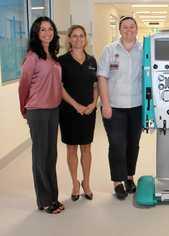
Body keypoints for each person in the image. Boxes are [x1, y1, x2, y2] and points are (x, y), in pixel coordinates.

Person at [18, 17, 64, 214]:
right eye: (42, 30)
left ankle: (53, 196)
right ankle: (45, 201)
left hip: (53, 109)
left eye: (50, 29)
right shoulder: (32, 56)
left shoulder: (53, 55)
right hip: (37, 110)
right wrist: (24, 108)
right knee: (40, 155)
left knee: (51, 155)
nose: (47, 33)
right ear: (36, 33)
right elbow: (23, 85)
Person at [97, 16, 142, 200]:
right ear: (120, 29)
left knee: (133, 144)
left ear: (137, 29)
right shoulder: (110, 50)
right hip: (114, 106)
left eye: (132, 27)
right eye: (125, 27)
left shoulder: (143, 49)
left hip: (137, 105)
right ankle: (117, 181)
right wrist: (105, 104)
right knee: (117, 144)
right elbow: (102, 77)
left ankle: (130, 177)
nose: (129, 30)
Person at [59, 25, 98, 201]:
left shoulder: (92, 61)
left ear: (85, 39)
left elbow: (96, 85)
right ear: (68, 39)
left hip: (89, 111)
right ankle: (75, 183)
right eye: (74, 36)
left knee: (87, 148)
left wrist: (93, 104)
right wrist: (76, 105)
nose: (78, 39)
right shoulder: (62, 61)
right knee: (72, 148)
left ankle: (86, 183)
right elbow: (59, 87)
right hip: (69, 111)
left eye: (81, 36)